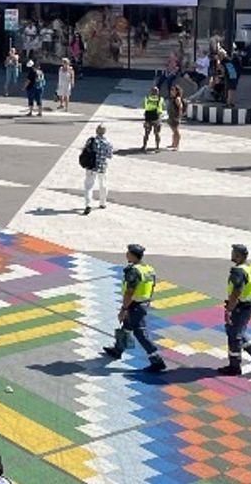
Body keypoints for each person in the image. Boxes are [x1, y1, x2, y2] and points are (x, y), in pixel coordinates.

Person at [102, 244, 167, 373]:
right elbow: (152, 286)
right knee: (126, 327)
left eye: (128, 252)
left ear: (132, 255)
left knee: (140, 333)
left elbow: (129, 292)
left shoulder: (133, 271)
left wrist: (124, 309)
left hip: (134, 305)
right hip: (143, 302)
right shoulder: (148, 269)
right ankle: (117, 350)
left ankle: (157, 360)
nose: (126, 254)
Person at [218, 244, 251, 376]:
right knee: (238, 331)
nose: (231, 255)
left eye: (233, 253)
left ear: (238, 255)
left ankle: (234, 366)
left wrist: (229, 310)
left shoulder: (238, 271)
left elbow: (237, 292)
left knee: (234, 336)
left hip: (240, 308)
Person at [82, 124, 113, 215]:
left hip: (91, 166)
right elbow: (110, 156)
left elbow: (85, 150)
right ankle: (102, 203)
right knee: (103, 185)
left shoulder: (92, 141)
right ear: (105, 132)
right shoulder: (108, 143)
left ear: (96, 131)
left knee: (89, 186)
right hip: (102, 166)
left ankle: (88, 205)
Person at [141, 86, 165, 152]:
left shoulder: (147, 98)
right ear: (158, 92)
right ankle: (157, 147)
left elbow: (144, 106)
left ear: (151, 92)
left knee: (146, 133)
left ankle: (144, 146)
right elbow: (163, 107)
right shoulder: (160, 99)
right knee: (157, 133)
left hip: (148, 118)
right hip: (157, 118)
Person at [168, 85, 185, 151]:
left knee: (176, 131)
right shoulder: (172, 98)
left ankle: (177, 145)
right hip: (171, 116)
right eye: (171, 90)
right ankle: (173, 143)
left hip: (175, 117)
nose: (171, 91)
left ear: (176, 91)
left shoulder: (177, 98)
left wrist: (179, 117)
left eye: (173, 90)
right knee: (174, 131)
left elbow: (180, 107)